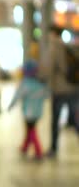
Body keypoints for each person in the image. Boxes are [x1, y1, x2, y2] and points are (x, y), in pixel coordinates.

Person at [8, 44, 49, 160]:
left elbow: (17, 96)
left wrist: (10, 106)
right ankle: (25, 147)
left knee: (31, 131)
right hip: (38, 112)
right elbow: (46, 95)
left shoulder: (25, 84)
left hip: (28, 112)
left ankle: (38, 150)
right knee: (29, 129)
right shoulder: (40, 84)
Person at [44, 25, 78, 158]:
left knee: (55, 120)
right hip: (73, 88)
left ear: (53, 34)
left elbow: (48, 68)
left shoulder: (54, 47)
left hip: (59, 89)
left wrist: (43, 79)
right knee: (75, 120)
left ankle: (53, 149)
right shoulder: (68, 47)